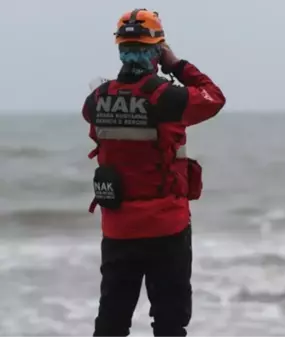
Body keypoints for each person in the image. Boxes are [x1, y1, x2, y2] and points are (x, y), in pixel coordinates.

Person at [81, 8, 226, 337]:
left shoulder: (96, 100)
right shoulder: (168, 98)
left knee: (112, 319)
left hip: (117, 228)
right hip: (166, 226)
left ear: (120, 48)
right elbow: (214, 98)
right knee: (170, 321)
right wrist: (177, 65)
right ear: (157, 50)